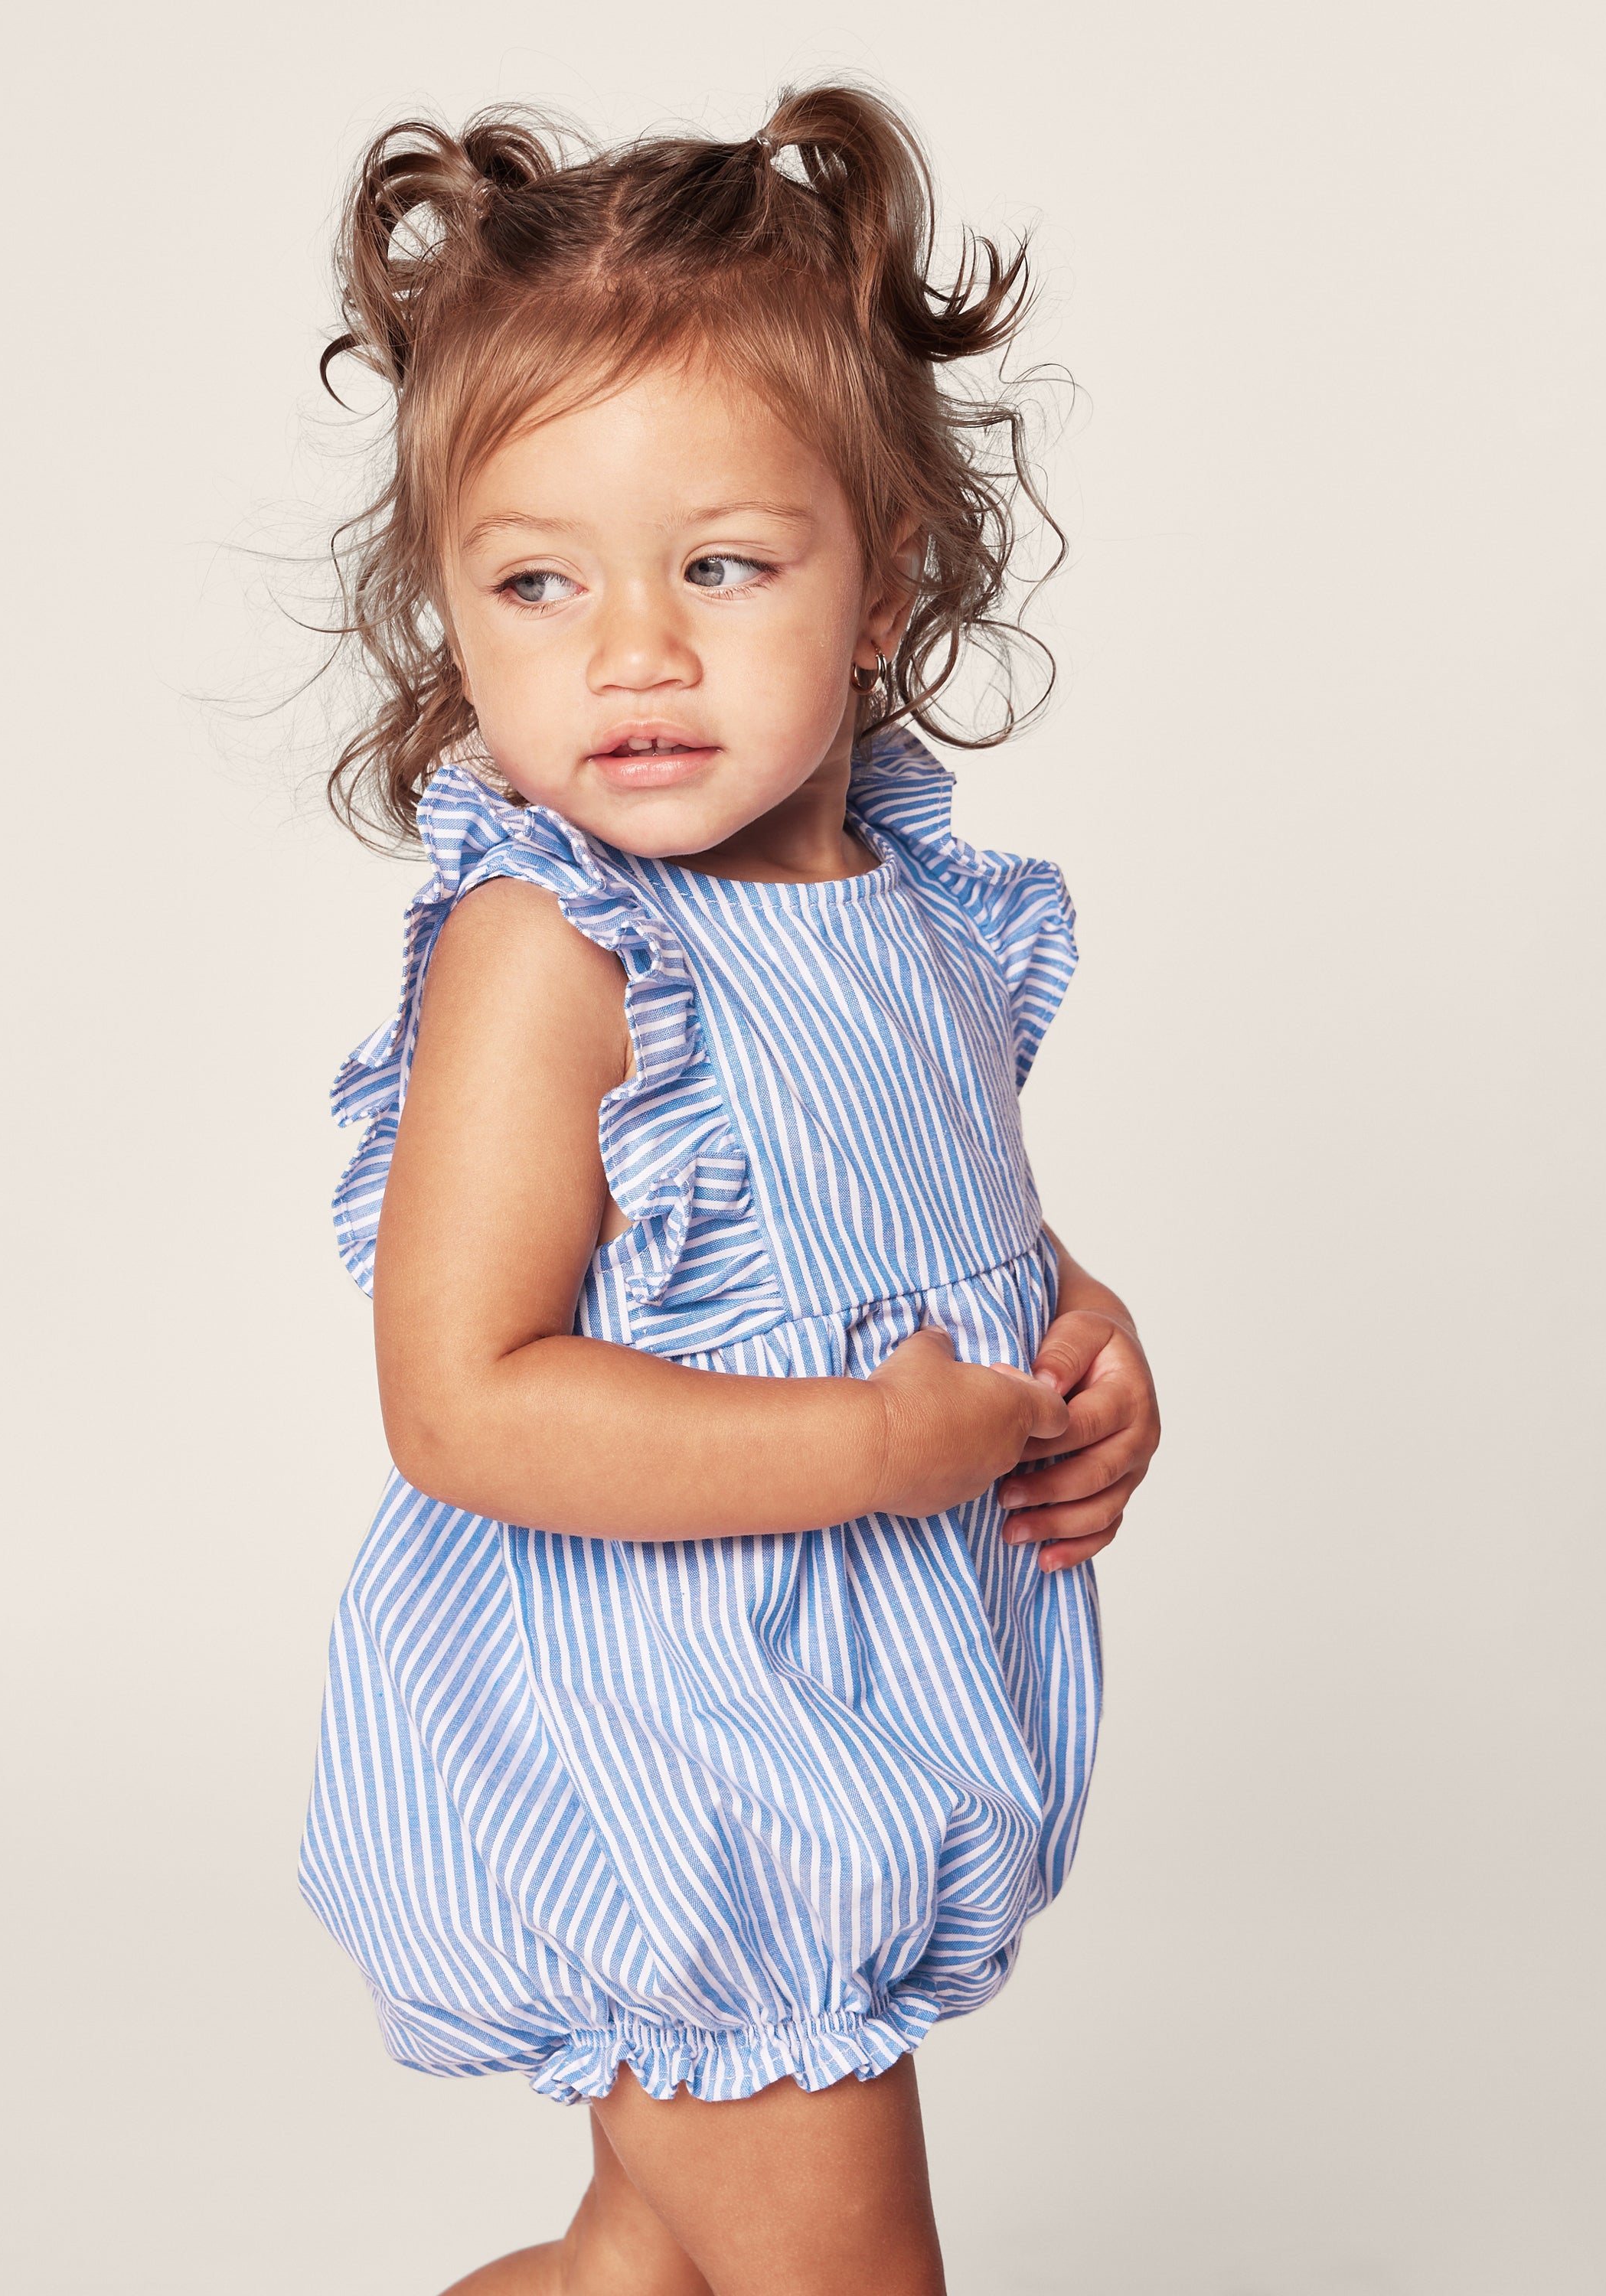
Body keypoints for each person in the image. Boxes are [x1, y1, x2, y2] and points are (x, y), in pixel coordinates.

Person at [299, 83, 1160, 2294]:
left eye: (723, 565)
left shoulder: (909, 902)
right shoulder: (555, 951)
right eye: (537, 581)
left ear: (883, 582)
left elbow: (902, 1208)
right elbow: (465, 1397)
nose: (636, 650)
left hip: (856, 1699)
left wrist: (1078, 1329)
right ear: (452, 619)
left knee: (648, 2264)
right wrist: (871, 1444)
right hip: (694, 1747)